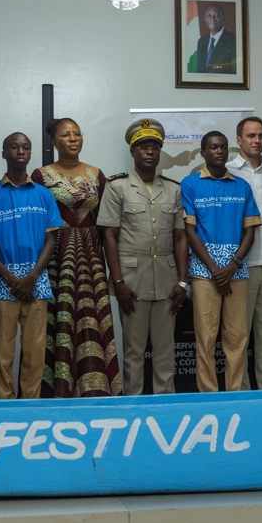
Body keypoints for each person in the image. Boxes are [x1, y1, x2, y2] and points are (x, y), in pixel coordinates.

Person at [32, 118, 122, 397]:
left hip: (91, 255)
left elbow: (108, 222)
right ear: (54, 142)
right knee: (58, 316)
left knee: (91, 314)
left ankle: (96, 389)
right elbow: (36, 220)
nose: (73, 138)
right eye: (65, 134)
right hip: (56, 255)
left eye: (77, 134)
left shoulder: (96, 174)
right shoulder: (40, 175)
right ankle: (56, 390)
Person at [98, 119, 189, 395]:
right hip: (131, 281)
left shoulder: (173, 189)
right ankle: (132, 406)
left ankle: (165, 404)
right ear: (132, 152)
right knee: (134, 351)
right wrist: (118, 282)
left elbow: (180, 237)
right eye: (143, 147)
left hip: (167, 280)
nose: (150, 152)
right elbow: (109, 237)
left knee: (165, 350)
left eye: (155, 147)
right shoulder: (117, 187)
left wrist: (183, 282)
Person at [0, 133, 62, 399]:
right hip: (2, 283)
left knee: (35, 352)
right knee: (2, 352)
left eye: (25, 147)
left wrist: (32, 277)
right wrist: (10, 278)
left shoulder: (43, 194)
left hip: (36, 282)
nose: (20, 151)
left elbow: (51, 239)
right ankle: (4, 405)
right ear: (4, 154)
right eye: (14, 147)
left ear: (30, 153)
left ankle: (30, 406)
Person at [182, 131, 260, 393]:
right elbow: (190, 232)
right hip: (205, 272)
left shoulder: (242, 186)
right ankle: (209, 395)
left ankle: (234, 393)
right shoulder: (190, 184)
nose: (219, 151)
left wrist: (233, 265)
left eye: (224, 147)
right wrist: (216, 270)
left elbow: (250, 231)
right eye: (214, 147)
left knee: (237, 338)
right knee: (205, 337)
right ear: (203, 152)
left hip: (237, 270)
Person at [225, 116, 262, 390]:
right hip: (240, 267)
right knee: (238, 340)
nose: (257, 140)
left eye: (260, 135)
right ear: (239, 140)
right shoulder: (227, 171)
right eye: (251, 135)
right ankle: (242, 398)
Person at [195, 3, 236, 74]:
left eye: (217, 15)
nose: (212, 18)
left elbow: (235, 74)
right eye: (209, 15)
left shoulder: (234, 41)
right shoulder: (201, 41)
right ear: (205, 18)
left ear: (223, 17)